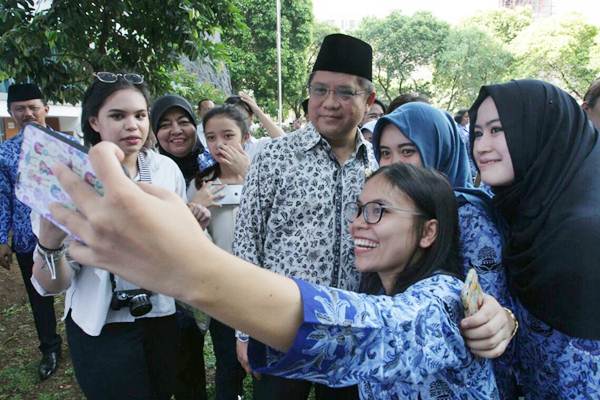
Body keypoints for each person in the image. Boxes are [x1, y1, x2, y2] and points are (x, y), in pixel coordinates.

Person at [46, 152, 500, 399]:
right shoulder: (377, 287)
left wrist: (191, 268)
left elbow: (360, 334)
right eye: (359, 209)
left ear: (429, 232)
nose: (358, 223)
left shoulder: (443, 300)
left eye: (378, 211)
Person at [31, 72, 209, 400]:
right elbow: (51, 285)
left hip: (161, 316)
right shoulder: (67, 176)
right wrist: (49, 243)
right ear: (94, 121)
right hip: (100, 327)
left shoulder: (164, 170)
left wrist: (190, 228)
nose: (133, 125)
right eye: (118, 115)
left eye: (140, 115)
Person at [233, 33, 378, 400]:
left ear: (368, 100)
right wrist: (244, 331)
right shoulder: (274, 157)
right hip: (281, 328)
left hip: (351, 333)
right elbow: (247, 242)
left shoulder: (376, 166)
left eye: (345, 92)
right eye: (319, 90)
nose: (329, 103)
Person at [371, 102, 518, 398]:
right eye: (385, 153)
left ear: (439, 152)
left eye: (408, 151)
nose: (393, 164)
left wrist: (503, 320)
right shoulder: (391, 209)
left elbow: (490, 313)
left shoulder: (466, 216)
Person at [470, 79, 600, 398]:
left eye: (498, 130)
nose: (482, 146)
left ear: (542, 131)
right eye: (477, 132)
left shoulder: (583, 233)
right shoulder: (515, 209)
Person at [187, 105, 251, 400]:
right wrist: (194, 212)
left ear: (246, 137)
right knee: (228, 362)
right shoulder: (201, 184)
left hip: (262, 285)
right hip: (223, 290)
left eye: (228, 135)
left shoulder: (263, 174)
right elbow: (188, 241)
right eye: (211, 137)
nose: (219, 144)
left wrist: (249, 176)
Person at [0, 83, 62, 380]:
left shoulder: (66, 145)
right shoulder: (4, 153)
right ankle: (50, 348)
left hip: (70, 235)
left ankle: (85, 337)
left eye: (33, 107)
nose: (28, 113)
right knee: (39, 296)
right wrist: (2, 239)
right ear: (11, 113)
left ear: (45, 109)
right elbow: (2, 198)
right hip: (28, 238)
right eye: (20, 109)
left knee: (81, 288)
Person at [150, 94, 210, 399]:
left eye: (184, 121)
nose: (176, 130)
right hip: (166, 287)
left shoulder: (212, 164)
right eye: (165, 124)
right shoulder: (148, 173)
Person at [224, 93, 284, 160]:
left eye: (241, 116)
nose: (236, 121)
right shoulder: (216, 145)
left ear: (251, 118)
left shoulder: (258, 146)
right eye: (231, 116)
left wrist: (258, 111)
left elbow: (284, 141)